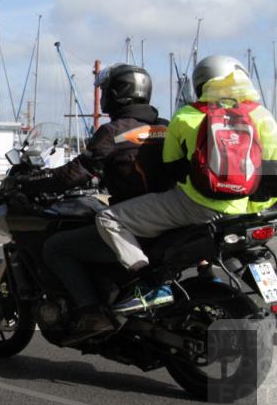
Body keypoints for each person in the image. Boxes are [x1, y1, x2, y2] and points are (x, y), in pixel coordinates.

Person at [20, 64, 172, 343]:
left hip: (135, 222)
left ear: (118, 93)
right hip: (168, 218)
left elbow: (74, 174)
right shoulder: (165, 126)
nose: (103, 96)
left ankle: (92, 313)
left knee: (56, 247)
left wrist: (30, 182)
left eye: (105, 90)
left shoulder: (114, 131)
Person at [96, 55, 277, 282]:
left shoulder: (187, 115)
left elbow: (172, 169)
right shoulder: (262, 115)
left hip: (199, 205)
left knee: (109, 218)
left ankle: (148, 282)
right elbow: (272, 172)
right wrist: (249, 205)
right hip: (250, 209)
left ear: (199, 82)